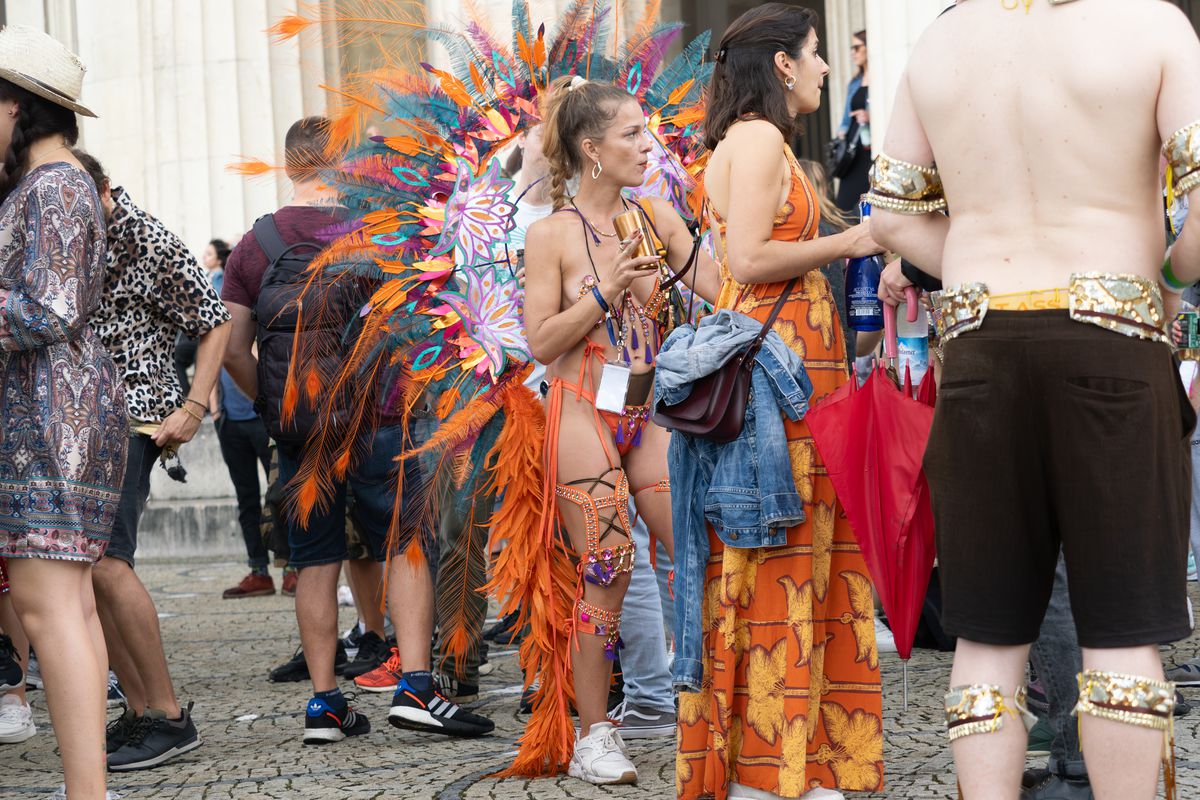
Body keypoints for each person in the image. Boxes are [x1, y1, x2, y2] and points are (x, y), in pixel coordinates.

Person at [869, 1, 1200, 798]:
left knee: (988, 635)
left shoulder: (943, 38)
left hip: (981, 341)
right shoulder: (1150, 24)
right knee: (1120, 632)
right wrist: (1168, 279)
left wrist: (991, 272)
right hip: (1111, 337)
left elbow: (890, 217)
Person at [222, 116, 493, 744]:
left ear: (288, 165)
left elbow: (235, 348)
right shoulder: (380, 231)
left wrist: (273, 406)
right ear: (344, 163)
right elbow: (420, 328)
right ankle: (418, 688)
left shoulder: (254, 245)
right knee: (406, 544)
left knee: (316, 559)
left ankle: (324, 705)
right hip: (382, 416)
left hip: (301, 431)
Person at [675, 6, 884, 799]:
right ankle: (777, 768)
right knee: (784, 565)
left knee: (792, 563)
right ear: (785, 65)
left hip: (793, 379)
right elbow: (750, 257)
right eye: (816, 54)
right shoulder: (759, 141)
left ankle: (798, 761)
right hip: (782, 388)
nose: (827, 68)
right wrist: (851, 243)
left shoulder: (751, 142)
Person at [516, 74, 723, 785]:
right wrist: (604, 289)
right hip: (579, 411)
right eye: (633, 133)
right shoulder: (551, 235)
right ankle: (597, 735)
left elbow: (723, 289)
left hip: (649, 409)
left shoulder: (656, 216)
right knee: (608, 570)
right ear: (591, 149)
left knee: (701, 548)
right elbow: (541, 342)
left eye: (647, 130)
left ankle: (723, 700)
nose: (649, 144)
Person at [0, 25, 129, 800]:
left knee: (53, 615)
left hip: (49, 414)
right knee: (69, 611)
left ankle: (89, 792)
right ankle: (89, 786)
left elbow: (46, 307)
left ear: (16, 106)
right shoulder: (62, 183)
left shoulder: (51, 186)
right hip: (61, 409)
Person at [75, 148, 227, 771]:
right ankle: (141, 711)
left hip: (135, 414)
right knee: (90, 568)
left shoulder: (143, 235)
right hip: (86, 418)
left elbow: (213, 320)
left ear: (105, 187)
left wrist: (193, 408)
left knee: (110, 562)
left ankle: (166, 714)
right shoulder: (80, 238)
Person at [833, 29, 872, 214]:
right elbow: (845, 119)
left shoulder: (882, 78)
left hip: (871, 150)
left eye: (857, 47)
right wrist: (840, 135)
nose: (853, 52)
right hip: (852, 149)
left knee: (868, 203)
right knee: (845, 204)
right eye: (851, 48)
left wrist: (871, 116)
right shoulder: (854, 82)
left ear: (869, 47)